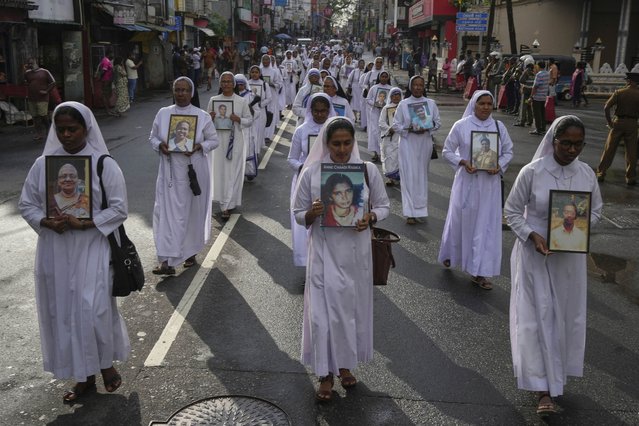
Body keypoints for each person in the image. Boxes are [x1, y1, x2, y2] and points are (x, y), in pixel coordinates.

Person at [19, 101, 130, 402]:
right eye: (61, 129)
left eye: (73, 128)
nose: (66, 134)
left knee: (92, 310)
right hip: (55, 249)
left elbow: (120, 209)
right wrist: (45, 221)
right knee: (65, 313)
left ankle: (105, 364)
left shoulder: (103, 164)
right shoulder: (44, 165)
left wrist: (85, 223)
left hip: (92, 247)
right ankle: (84, 376)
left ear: (86, 128)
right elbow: (26, 204)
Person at [504, 115, 602, 416]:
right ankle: (541, 388)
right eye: (566, 143)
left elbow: (596, 210)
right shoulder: (533, 172)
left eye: (578, 144)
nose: (572, 150)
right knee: (536, 318)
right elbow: (511, 212)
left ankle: (557, 376)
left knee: (564, 318)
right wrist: (532, 235)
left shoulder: (586, 174)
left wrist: (579, 229)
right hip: (535, 256)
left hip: (568, 260)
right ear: (553, 141)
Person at [292, 116, 390, 402]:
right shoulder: (311, 173)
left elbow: (384, 207)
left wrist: (370, 217)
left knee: (349, 314)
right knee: (321, 317)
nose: (342, 149)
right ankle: (324, 374)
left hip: (356, 255)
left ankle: (345, 366)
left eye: (347, 143)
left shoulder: (367, 170)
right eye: (336, 143)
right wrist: (312, 213)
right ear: (326, 143)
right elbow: (298, 215)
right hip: (323, 255)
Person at [438, 90, 514, 290]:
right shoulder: (461, 126)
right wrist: (462, 161)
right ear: (474, 104)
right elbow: (447, 151)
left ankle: (479, 271)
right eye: (482, 103)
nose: (486, 107)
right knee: (460, 221)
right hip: (467, 183)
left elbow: (508, 151)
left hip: (489, 186)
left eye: (490, 103)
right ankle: (450, 254)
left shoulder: (499, 127)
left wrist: (499, 165)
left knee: (485, 226)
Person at [150, 77, 219, 275]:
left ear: (192, 93)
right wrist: (160, 146)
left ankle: (189, 253)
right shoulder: (163, 114)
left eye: (184, 90)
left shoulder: (202, 116)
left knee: (190, 214)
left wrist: (199, 146)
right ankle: (166, 262)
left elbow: (213, 140)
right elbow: (152, 137)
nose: (181, 94)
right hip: (169, 174)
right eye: (177, 90)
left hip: (193, 173)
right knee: (166, 215)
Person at [287, 93, 336, 267]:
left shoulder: (336, 130)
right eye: (316, 111)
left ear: (329, 111)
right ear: (311, 110)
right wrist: (305, 168)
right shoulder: (302, 130)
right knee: (307, 222)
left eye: (324, 111)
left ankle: (329, 265)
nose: (320, 115)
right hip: (305, 183)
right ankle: (308, 265)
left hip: (332, 183)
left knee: (332, 223)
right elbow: (291, 159)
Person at [393, 76, 441, 224]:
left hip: (424, 144)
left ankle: (420, 209)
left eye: (421, 85)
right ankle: (410, 213)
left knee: (421, 177)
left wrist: (427, 127)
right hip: (408, 144)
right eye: (415, 85)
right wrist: (409, 129)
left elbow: (437, 123)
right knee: (408, 176)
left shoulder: (431, 104)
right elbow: (395, 125)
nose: (418, 88)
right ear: (410, 87)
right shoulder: (403, 104)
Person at [207, 72, 254, 219]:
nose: (226, 84)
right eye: (223, 81)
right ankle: (223, 204)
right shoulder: (213, 100)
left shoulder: (241, 101)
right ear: (220, 84)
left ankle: (229, 203)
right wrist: (210, 117)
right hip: (218, 142)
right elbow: (206, 121)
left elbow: (250, 120)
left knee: (233, 172)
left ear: (234, 84)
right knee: (220, 172)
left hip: (236, 142)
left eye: (229, 81)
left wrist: (238, 119)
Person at [595, 72, 639, 185]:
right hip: (633, 123)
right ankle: (630, 177)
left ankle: (601, 173)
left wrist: (610, 122)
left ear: (629, 81)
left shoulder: (619, 92)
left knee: (609, 149)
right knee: (631, 151)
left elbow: (606, 107)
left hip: (618, 122)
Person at [24, 58, 56, 140]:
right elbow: (26, 82)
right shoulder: (27, 73)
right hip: (32, 98)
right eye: (29, 64)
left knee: (43, 115)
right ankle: (39, 133)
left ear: (36, 62)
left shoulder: (44, 72)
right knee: (35, 117)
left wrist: (46, 91)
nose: (30, 65)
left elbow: (53, 82)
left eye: (32, 63)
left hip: (42, 98)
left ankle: (49, 131)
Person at [365, 71, 393, 163]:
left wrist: (387, 106)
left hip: (386, 114)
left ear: (388, 78)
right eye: (382, 76)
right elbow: (368, 99)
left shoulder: (391, 89)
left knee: (384, 132)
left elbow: (394, 101)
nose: (384, 78)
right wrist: (375, 104)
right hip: (375, 113)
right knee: (374, 132)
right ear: (379, 77)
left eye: (386, 77)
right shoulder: (374, 88)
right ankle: (375, 153)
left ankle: (383, 153)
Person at [378, 87, 403, 185]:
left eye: (398, 95)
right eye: (394, 95)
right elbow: (381, 122)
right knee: (389, 157)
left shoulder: (403, 107)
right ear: (391, 97)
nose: (396, 97)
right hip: (389, 137)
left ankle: (397, 178)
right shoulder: (386, 108)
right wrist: (389, 129)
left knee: (398, 157)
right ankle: (390, 178)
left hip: (400, 137)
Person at [247, 65, 272, 152]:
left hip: (261, 112)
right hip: (249, 111)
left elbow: (269, 98)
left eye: (256, 72)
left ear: (260, 73)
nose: (254, 74)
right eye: (252, 72)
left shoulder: (265, 84)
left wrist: (260, 104)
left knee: (259, 132)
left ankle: (256, 152)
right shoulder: (247, 83)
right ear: (250, 73)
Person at [530, 61, 549, 136]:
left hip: (537, 97)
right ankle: (543, 128)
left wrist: (531, 96)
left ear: (538, 66)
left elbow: (535, 86)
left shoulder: (539, 74)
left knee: (537, 114)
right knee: (542, 113)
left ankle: (538, 129)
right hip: (544, 96)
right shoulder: (547, 73)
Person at [98, 52, 116, 116]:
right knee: (106, 95)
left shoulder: (107, 60)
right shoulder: (106, 61)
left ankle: (108, 109)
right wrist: (101, 78)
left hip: (108, 80)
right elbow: (104, 71)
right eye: (112, 54)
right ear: (109, 54)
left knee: (108, 94)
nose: (113, 55)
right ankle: (107, 110)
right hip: (106, 81)